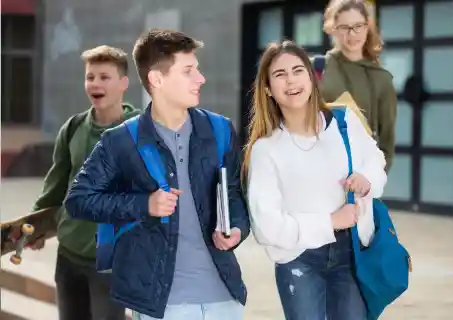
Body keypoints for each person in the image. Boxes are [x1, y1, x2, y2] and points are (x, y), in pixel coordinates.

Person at [64, 28, 250, 320]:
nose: (200, 79)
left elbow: (235, 193)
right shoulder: (121, 140)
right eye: (188, 71)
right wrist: (144, 205)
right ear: (157, 79)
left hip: (225, 297)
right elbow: (79, 200)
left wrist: (237, 229)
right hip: (161, 304)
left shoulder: (220, 130)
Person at [242, 40, 387, 320]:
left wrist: (367, 180)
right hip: (299, 261)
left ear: (311, 77)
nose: (291, 80)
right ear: (268, 89)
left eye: (298, 70)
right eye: (280, 74)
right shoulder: (266, 149)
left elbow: (376, 160)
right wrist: (331, 221)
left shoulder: (344, 122)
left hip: (352, 254)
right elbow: (266, 226)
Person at [31, 45, 141, 320]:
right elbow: (54, 188)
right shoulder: (73, 128)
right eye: (90, 77)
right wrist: (34, 229)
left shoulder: (142, 130)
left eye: (104, 77)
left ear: (123, 84)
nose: (95, 83)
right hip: (69, 255)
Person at [319, 0, 397, 172]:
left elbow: (387, 145)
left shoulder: (382, 79)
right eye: (344, 27)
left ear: (367, 27)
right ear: (333, 29)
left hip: (359, 175)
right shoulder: (316, 68)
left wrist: (371, 182)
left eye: (357, 26)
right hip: (317, 168)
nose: (352, 34)